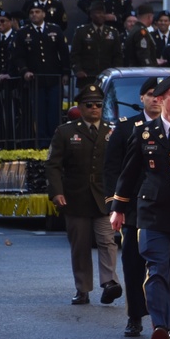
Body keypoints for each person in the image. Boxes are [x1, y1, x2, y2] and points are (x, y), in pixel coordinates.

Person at [110, 74, 170, 339]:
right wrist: (118, 207)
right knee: (157, 269)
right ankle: (159, 325)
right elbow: (129, 173)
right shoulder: (143, 132)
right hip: (151, 213)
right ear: (160, 99)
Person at [46, 85, 121, 306]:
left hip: (104, 197)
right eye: (90, 105)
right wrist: (57, 192)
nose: (95, 108)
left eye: (99, 104)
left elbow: (118, 165)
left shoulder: (111, 131)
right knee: (80, 245)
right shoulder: (65, 132)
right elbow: (53, 165)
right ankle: (82, 288)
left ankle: (109, 283)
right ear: (80, 107)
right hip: (75, 197)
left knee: (107, 241)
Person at [103, 76, 160, 337]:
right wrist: (116, 206)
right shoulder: (127, 128)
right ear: (142, 99)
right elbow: (112, 169)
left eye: (161, 94)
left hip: (167, 210)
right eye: (151, 94)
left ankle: (164, 319)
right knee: (134, 264)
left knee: (166, 266)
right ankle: (135, 315)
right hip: (134, 209)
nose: (156, 99)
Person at [14, 3, 69, 146]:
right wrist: (25, 71)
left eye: (37, 11)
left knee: (54, 112)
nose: (34, 14)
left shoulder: (55, 30)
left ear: (44, 14)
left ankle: (56, 144)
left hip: (54, 79)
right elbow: (19, 56)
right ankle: (43, 144)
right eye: (31, 12)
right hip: (35, 80)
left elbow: (64, 53)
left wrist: (65, 73)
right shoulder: (23, 33)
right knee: (39, 114)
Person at [70, 1, 123, 90]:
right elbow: (74, 54)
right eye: (98, 13)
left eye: (103, 13)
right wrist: (78, 70)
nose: (101, 15)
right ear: (91, 15)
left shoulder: (112, 32)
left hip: (107, 77)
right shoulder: (81, 31)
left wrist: (115, 72)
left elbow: (118, 55)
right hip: (87, 77)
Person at [0, 9, 18, 145]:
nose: (0, 24)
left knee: (12, 114)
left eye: (3, 21)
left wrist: (9, 74)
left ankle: (11, 143)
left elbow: (16, 59)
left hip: (13, 83)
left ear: (10, 22)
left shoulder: (17, 37)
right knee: (0, 115)